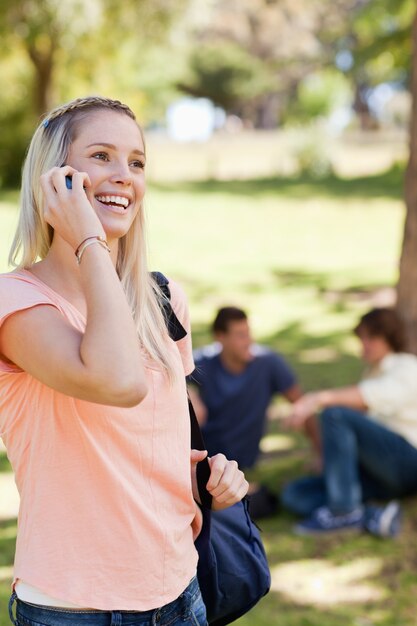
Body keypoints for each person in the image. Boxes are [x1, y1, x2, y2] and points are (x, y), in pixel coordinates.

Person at [0, 96, 248, 626]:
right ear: (54, 178)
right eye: (102, 156)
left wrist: (212, 478)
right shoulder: (15, 303)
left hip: (179, 592)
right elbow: (116, 381)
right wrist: (88, 238)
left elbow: (160, 433)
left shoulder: (162, 298)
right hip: (74, 608)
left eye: (136, 162)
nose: (124, 177)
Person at [282, 307, 417, 537]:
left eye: (371, 338)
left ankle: (343, 512)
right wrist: (331, 462)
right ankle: (368, 517)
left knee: (335, 414)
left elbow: (368, 398)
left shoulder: (406, 367)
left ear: (389, 337)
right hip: (378, 470)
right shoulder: (371, 373)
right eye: (361, 338)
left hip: (407, 461)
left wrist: (317, 398)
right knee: (295, 494)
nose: (364, 344)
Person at [188, 306, 301, 517]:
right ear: (220, 337)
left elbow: (302, 404)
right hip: (206, 460)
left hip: (242, 462)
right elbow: (166, 380)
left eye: (248, 333)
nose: (248, 341)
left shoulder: (269, 363)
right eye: (240, 335)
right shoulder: (201, 363)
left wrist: (321, 454)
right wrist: (189, 393)